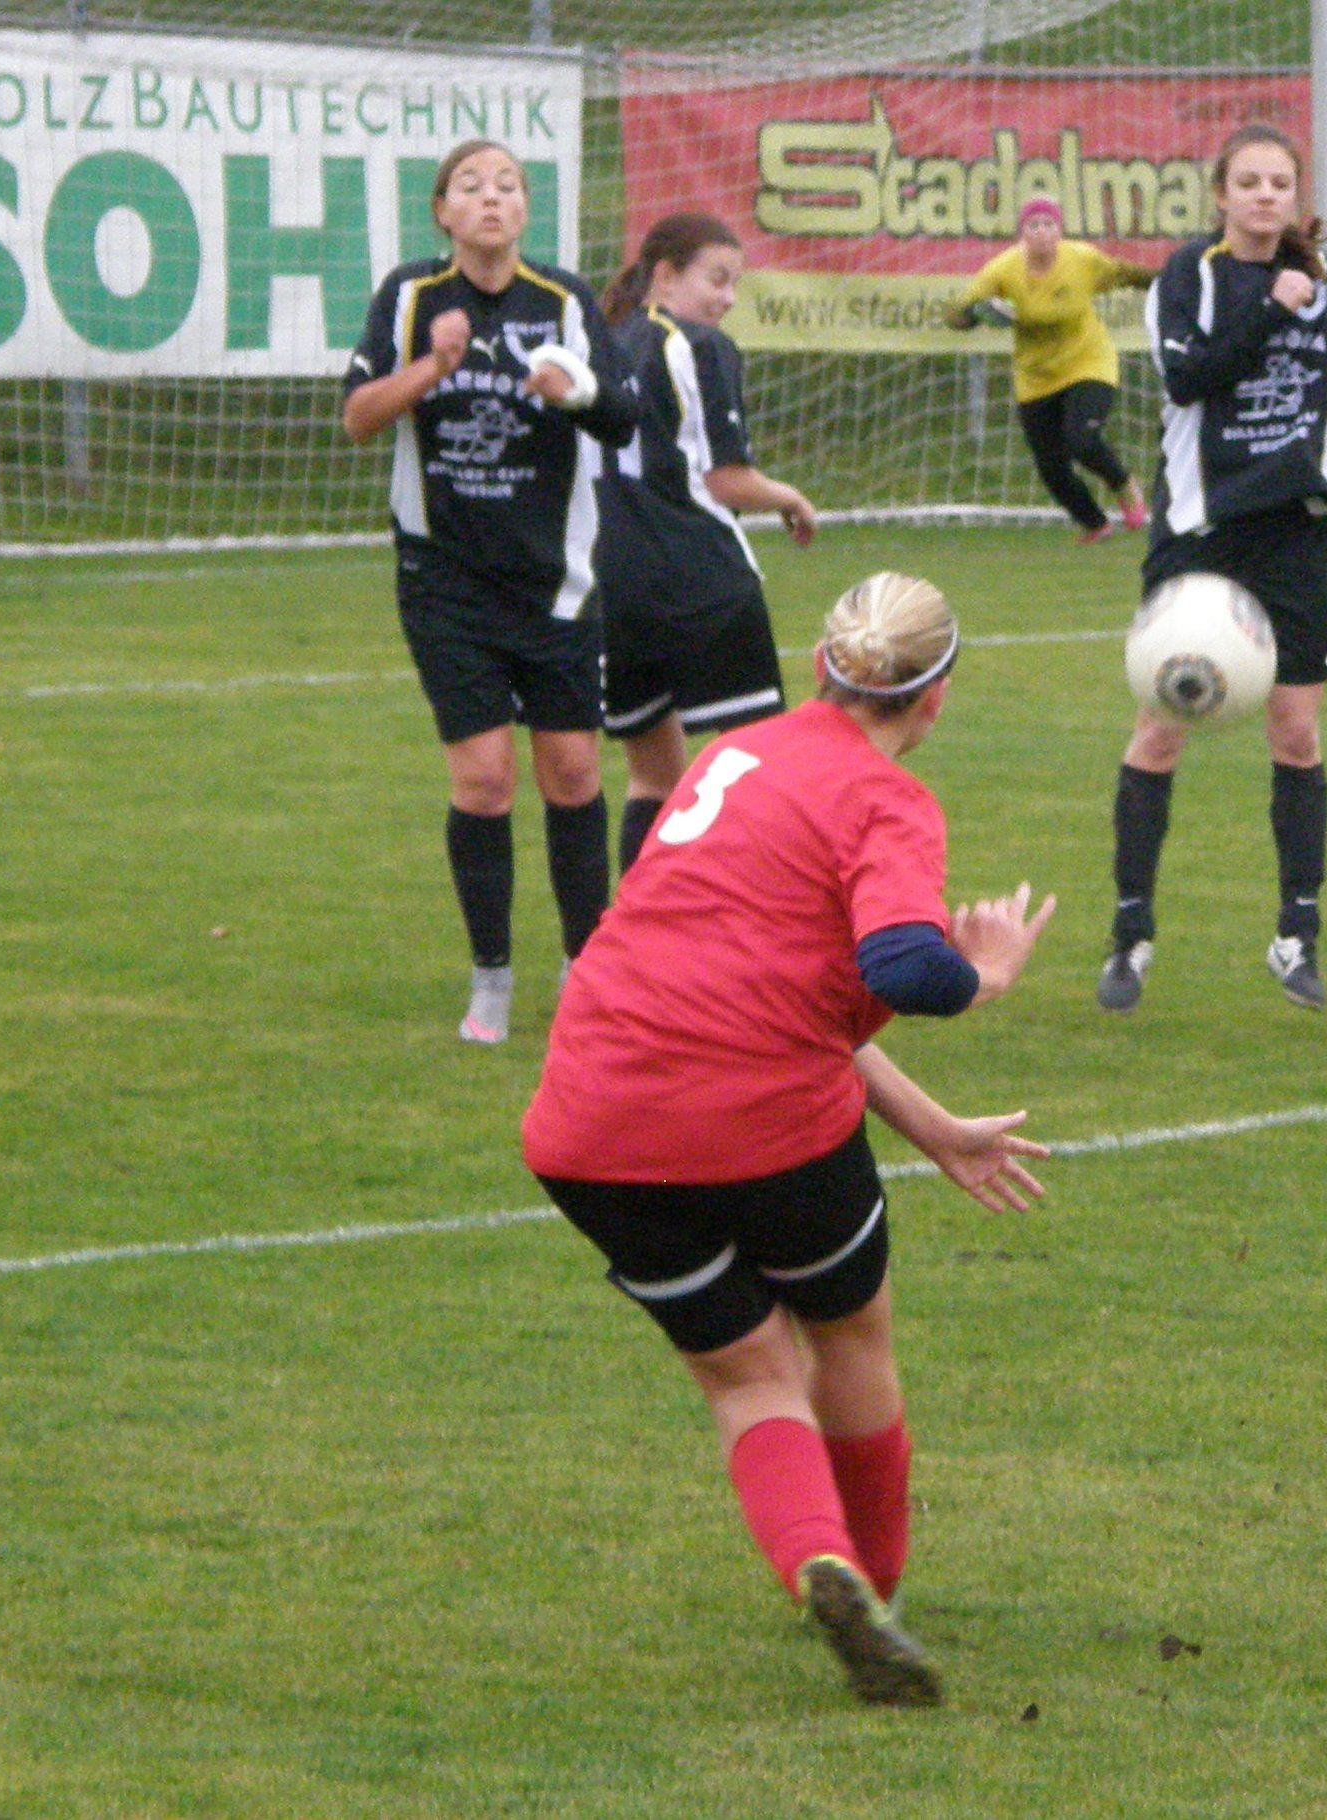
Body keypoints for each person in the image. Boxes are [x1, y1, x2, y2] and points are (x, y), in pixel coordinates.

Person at [522, 572, 1054, 1708]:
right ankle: (877, 1583)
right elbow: (904, 965)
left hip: (590, 1121)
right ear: (935, 696)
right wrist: (988, 972)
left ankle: (819, 1562)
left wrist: (934, 1129)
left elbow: (756, 984)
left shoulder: (729, 757)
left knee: (746, 1374)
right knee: (848, 1332)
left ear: (821, 667)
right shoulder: (886, 800)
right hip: (761, 1117)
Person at [1098, 128, 1327, 1014]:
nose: (1265, 194)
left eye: (1278, 182)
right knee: (1161, 730)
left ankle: (1296, 936)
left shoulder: (1315, 276)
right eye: (1249, 181)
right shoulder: (1189, 274)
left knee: (1296, 734)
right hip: (1202, 535)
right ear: (1221, 195)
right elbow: (1189, 377)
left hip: (1293, 535)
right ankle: (1130, 936)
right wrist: (1272, 308)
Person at [342, 140, 641, 1045]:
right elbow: (357, 417)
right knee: (483, 782)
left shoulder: (563, 302)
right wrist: (431, 369)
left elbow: (624, 415)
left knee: (573, 773)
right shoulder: (409, 297)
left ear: (524, 210)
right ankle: (491, 981)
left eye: (507, 185)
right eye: (470, 186)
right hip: (445, 583)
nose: (490, 199)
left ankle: (585, 970)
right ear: (442, 211)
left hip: (556, 584)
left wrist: (573, 392)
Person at [595, 213, 818, 875]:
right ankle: (752, 915)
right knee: (759, 767)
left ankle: (637, 923)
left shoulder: (607, 342)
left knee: (652, 778)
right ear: (665, 275)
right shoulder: (699, 345)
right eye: (717, 279)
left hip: (617, 586)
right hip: (700, 580)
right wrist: (791, 497)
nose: (727, 298)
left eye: (735, 284)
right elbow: (726, 481)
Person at [945, 197, 1157, 544]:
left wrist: (1173, 278)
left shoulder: (1082, 260)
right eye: (1034, 226)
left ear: (1060, 231)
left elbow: (1126, 274)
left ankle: (1123, 485)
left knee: (1082, 440)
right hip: (1036, 377)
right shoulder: (1003, 269)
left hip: (1088, 361)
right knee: (1050, 466)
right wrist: (974, 315)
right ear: (1022, 233)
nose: (1042, 232)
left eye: (1049, 225)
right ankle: (1094, 523)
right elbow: (956, 311)